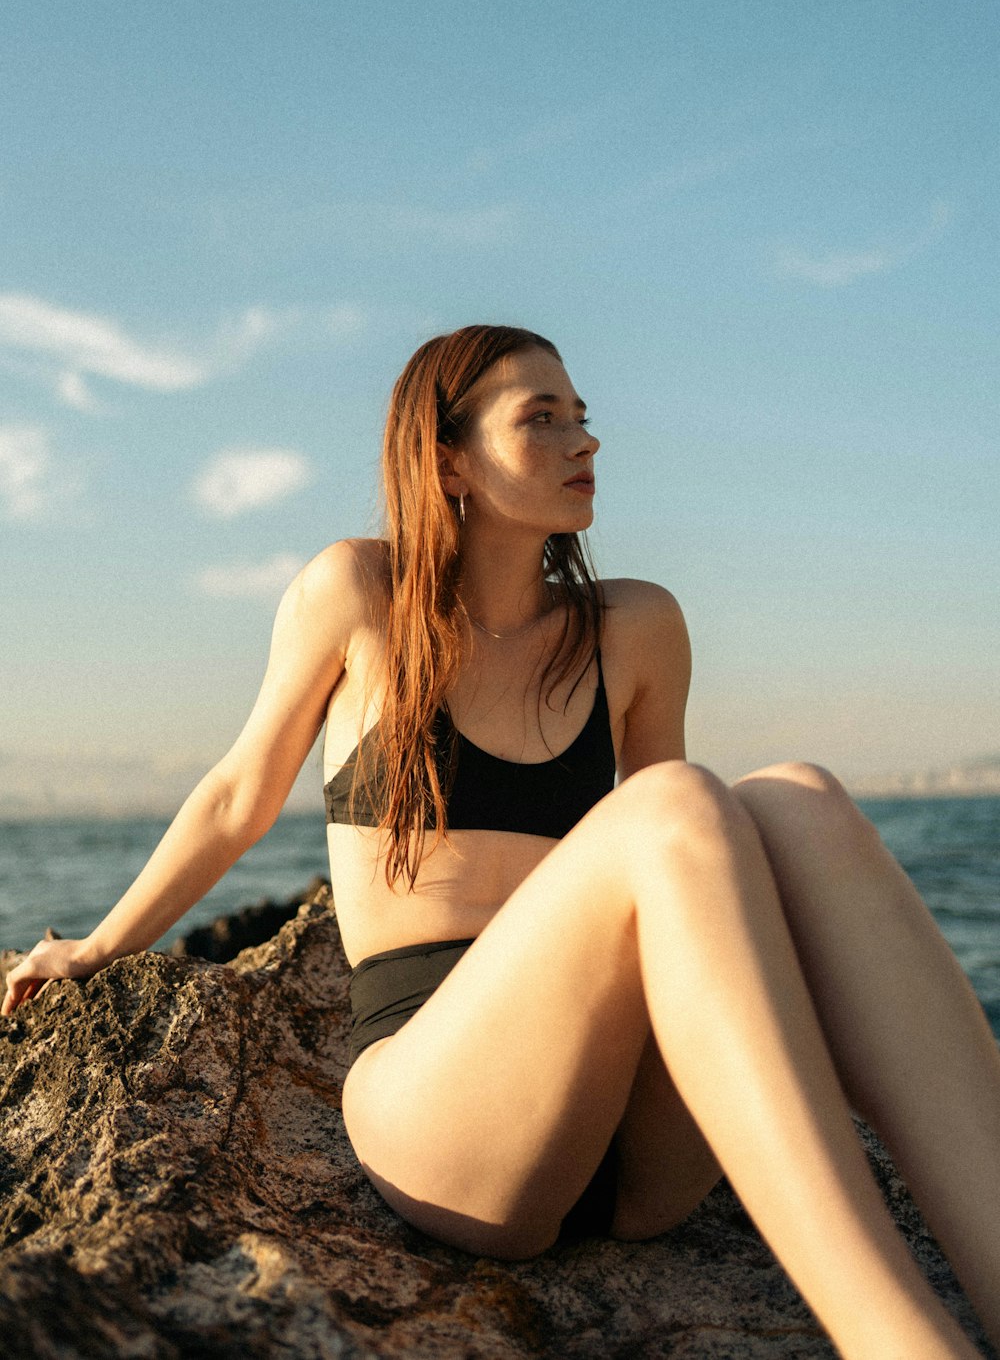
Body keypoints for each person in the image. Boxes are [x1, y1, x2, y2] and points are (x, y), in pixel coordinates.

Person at [3, 325, 998, 1359]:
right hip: (444, 1115)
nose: (585, 441)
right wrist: (99, 946)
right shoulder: (358, 594)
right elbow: (234, 796)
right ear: (448, 461)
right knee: (682, 805)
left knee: (799, 801)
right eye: (542, 418)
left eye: (583, 416)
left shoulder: (637, 627)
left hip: (628, 1144)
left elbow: (694, 887)